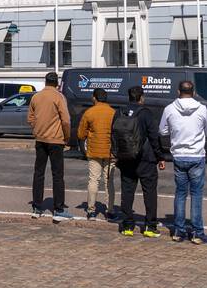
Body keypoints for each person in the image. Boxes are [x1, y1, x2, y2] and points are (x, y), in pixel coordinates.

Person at [160, 80, 207, 244]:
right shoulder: (202, 109)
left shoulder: (169, 109)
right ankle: (197, 232)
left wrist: (175, 131)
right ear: (194, 92)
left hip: (179, 155)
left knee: (180, 193)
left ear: (178, 91)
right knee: (196, 195)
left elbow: (162, 130)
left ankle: (179, 231)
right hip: (196, 155)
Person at [114, 86, 165, 237]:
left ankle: (128, 226)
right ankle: (150, 226)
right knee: (149, 192)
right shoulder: (145, 113)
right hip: (145, 158)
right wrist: (160, 157)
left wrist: (116, 154)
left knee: (127, 191)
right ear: (141, 97)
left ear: (129, 97)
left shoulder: (119, 112)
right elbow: (154, 137)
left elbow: (114, 134)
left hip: (125, 158)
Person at [26, 71, 72, 221]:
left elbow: (30, 118)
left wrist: (36, 129)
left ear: (45, 82)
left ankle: (37, 207)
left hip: (40, 139)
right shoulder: (59, 97)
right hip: (56, 139)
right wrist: (66, 137)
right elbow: (65, 120)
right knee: (57, 175)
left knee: (38, 173)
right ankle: (58, 209)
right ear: (57, 83)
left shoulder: (36, 96)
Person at [76, 88, 117, 220]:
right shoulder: (113, 112)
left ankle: (91, 210)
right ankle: (110, 210)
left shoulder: (89, 112)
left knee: (94, 180)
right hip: (110, 152)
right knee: (109, 181)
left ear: (94, 98)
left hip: (94, 151)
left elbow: (81, 134)